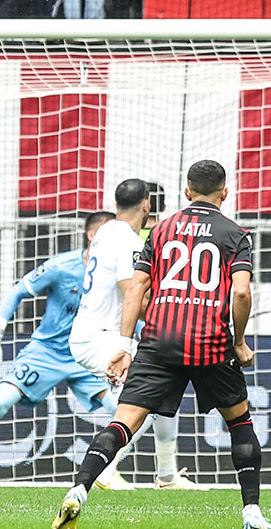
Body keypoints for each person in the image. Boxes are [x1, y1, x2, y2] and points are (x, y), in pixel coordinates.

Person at [53, 160, 271, 529]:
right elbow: (241, 291)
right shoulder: (235, 234)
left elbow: (137, 289)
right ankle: (252, 513)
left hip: (159, 340)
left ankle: (80, 488)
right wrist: (238, 342)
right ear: (225, 193)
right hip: (209, 341)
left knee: (123, 422)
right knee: (239, 422)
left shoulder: (159, 232)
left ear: (186, 193)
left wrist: (125, 345)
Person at [0, 213, 128, 486]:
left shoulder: (116, 274)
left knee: (124, 412)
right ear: (92, 236)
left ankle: (109, 472)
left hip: (87, 354)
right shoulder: (62, 266)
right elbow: (17, 291)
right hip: (46, 352)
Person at [68, 179, 204, 490]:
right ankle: (107, 467)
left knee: (166, 383)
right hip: (99, 336)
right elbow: (132, 294)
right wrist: (175, 313)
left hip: (91, 330)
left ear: (116, 204)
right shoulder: (127, 240)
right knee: (148, 395)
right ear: (146, 204)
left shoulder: (105, 231)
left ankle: (167, 475)